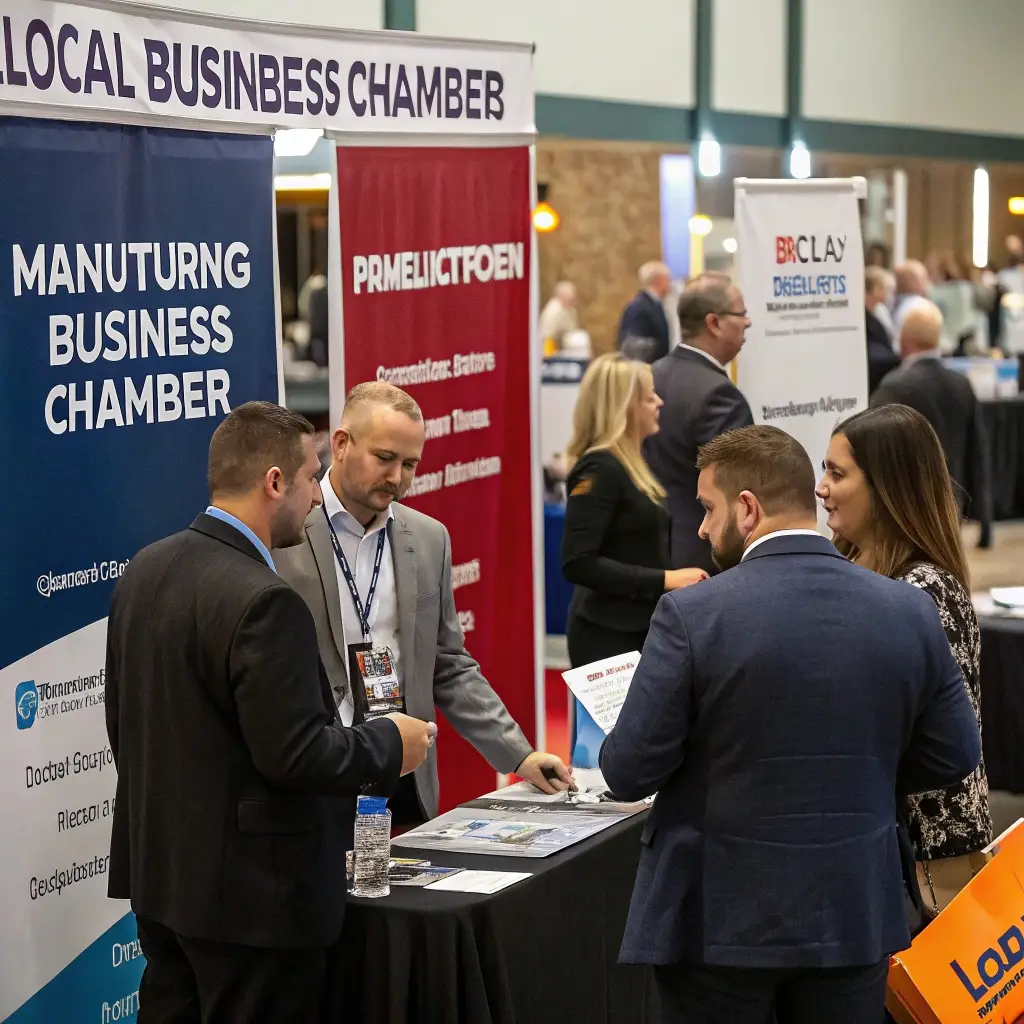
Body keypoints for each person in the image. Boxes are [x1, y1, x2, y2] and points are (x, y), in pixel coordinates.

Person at [600, 424, 981, 1024]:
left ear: (747, 508)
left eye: (707, 508)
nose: (700, 528)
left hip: (716, 924)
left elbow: (626, 770)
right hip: (854, 913)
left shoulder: (692, 614)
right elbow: (956, 754)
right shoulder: (907, 608)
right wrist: (867, 773)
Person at [105, 402, 437, 1022]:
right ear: (274, 482)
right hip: (253, 904)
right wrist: (392, 744)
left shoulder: (143, 571)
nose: (317, 497)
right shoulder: (266, 600)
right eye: (312, 478)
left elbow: (123, 728)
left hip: (161, 882)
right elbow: (296, 754)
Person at [275, 381, 573, 828]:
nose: (397, 477)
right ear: (340, 444)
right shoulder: (287, 532)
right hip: (318, 774)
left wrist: (521, 754)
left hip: (402, 776)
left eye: (410, 464)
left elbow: (449, 664)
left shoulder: (429, 538)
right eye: (385, 458)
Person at [817, 404, 993, 912]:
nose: (821, 487)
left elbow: (932, 735)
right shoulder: (850, 567)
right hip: (880, 844)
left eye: (837, 472)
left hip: (932, 855)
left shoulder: (926, 590)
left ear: (887, 486)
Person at [561, 353, 707, 669]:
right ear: (625, 406)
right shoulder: (600, 468)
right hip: (607, 635)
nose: (659, 403)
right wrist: (665, 579)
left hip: (637, 628)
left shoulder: (630, 464)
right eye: (649, 397)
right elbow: (578, 562)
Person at [644, 272, 754, 574]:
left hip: (649, 554)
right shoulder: (719, 395)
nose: (748, 322)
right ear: (714, 323)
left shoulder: (649, 375)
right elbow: (737, 490)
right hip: (702, 561)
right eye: (741, 313)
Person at [871, 300, 992, 546]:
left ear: (903, 342)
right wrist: (986, 525)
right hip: (952, 504)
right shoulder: (961, 384)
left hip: (907, 506)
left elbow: (873, 449)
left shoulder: (894, 386)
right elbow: (979, 454)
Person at [618, 261, 673, 363]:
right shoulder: (639, 307)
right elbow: (633, 346)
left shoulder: (655, 305)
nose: (670, 284)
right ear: (658, 280)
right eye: (668, 279)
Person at [864, 266, 899, 394]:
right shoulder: (864, 317)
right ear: (875, 288)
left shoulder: (880, 311)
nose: (890, 294)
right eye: (886, 288)